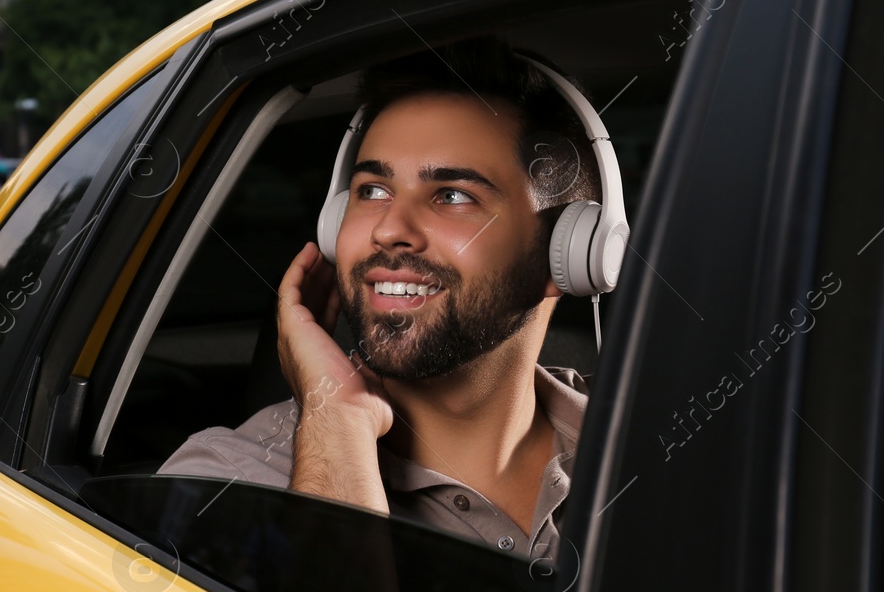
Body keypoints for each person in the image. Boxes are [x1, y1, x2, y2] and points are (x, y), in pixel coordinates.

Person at [158, 37, 605, 562]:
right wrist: (338, 423)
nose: (390, 229)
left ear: (567, 252)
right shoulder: (225, 482)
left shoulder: (656, 439)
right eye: (372, 190)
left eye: (453, 196)